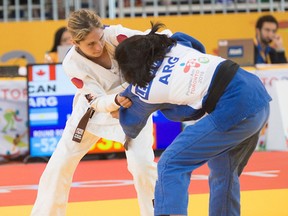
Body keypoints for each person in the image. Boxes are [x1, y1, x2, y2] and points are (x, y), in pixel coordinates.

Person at [114, 22, 271, 216]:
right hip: (256, 94)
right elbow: (197, 45)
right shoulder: (175, 45)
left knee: (171, 163)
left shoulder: (144, 91)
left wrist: (118, 106)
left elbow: (132, 124)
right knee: (224, 169)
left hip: (235, 108)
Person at [31, 9, 172, 216]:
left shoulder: (117, 35)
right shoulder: (72, 64)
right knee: (60, 164)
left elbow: (156, 40)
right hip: (91, 114)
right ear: (75, 43)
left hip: (133, 109)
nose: (98, 47)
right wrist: (115, 101)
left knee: (142, 166)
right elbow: (95, 100)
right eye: (90, 44)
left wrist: (168, 41)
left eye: (99, 38)